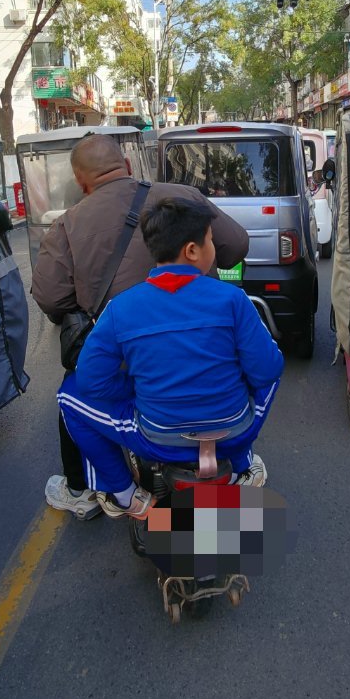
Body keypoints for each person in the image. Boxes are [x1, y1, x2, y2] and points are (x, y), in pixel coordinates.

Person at [32, 135, 249, 519]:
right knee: (244, 377)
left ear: (81, 183)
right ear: (130, 166)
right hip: (210, 364)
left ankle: (86, 490)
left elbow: (51, 299)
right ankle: (244, 466)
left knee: (72, 393)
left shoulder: (67, 226)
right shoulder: (183, 196)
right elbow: (237, 246)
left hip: (129, 366)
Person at [59, 196, 283, 518]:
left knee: (69, 396)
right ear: (192, 250)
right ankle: (240, 467)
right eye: (210, 241)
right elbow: (266, 371)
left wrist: (135, 391)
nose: (213, 249)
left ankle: (125, 495)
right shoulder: (234, 299)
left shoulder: (121, 307)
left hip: (157, 438)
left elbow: (92, 380)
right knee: (271, 369)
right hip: (233, 430)